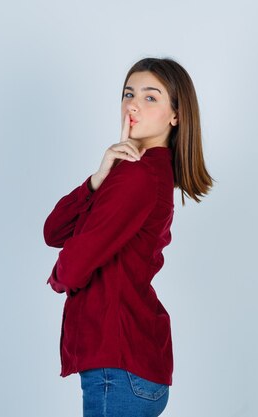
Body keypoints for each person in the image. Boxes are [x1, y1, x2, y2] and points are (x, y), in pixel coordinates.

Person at [43, 57, 213, 417]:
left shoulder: (138, 177)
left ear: (175, 115)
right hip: (128, 366)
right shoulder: (137, 172)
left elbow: (72, 268)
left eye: (150, 97)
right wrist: (98, 177)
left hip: (118, 368)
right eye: (128, 93)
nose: (132, 104)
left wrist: (59, 275)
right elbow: (54, 231)